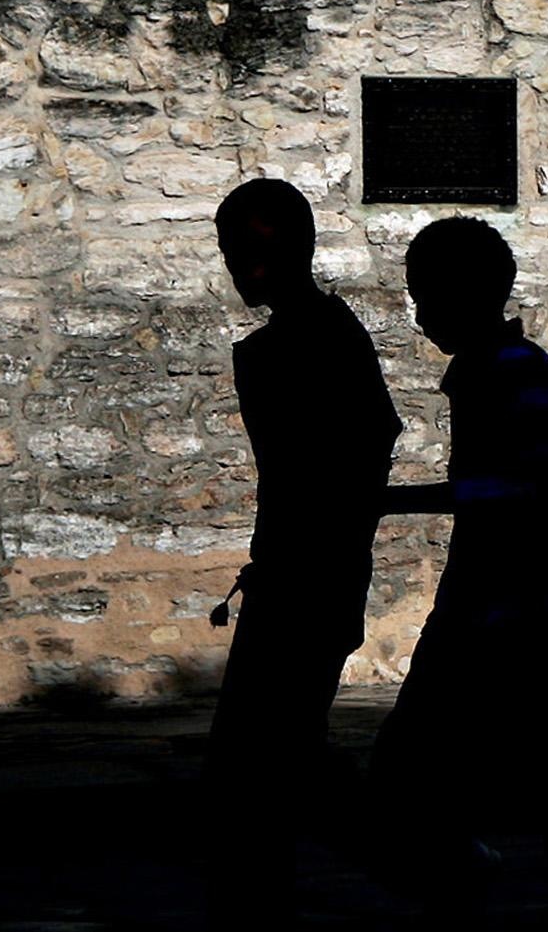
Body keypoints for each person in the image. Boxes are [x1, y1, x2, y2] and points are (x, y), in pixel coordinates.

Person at [373, 216, 548, 902]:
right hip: (492, 606)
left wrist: (399, 501)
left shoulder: (514, 370)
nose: (419, 316)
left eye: (425, 297)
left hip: (518, 613)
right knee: (459, 772)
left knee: (418, 766)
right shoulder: (485, 372)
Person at [207, 177, 403, 913]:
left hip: (309, 581)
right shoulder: (297, 341)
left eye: (249, 251)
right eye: (231, 253)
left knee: (263, 765)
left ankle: (434, 857)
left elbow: (360, 449)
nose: (238, 267)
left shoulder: (313, 343)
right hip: (297, 576)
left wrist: (319, 546)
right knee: (267, 765)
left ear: (290, 250)